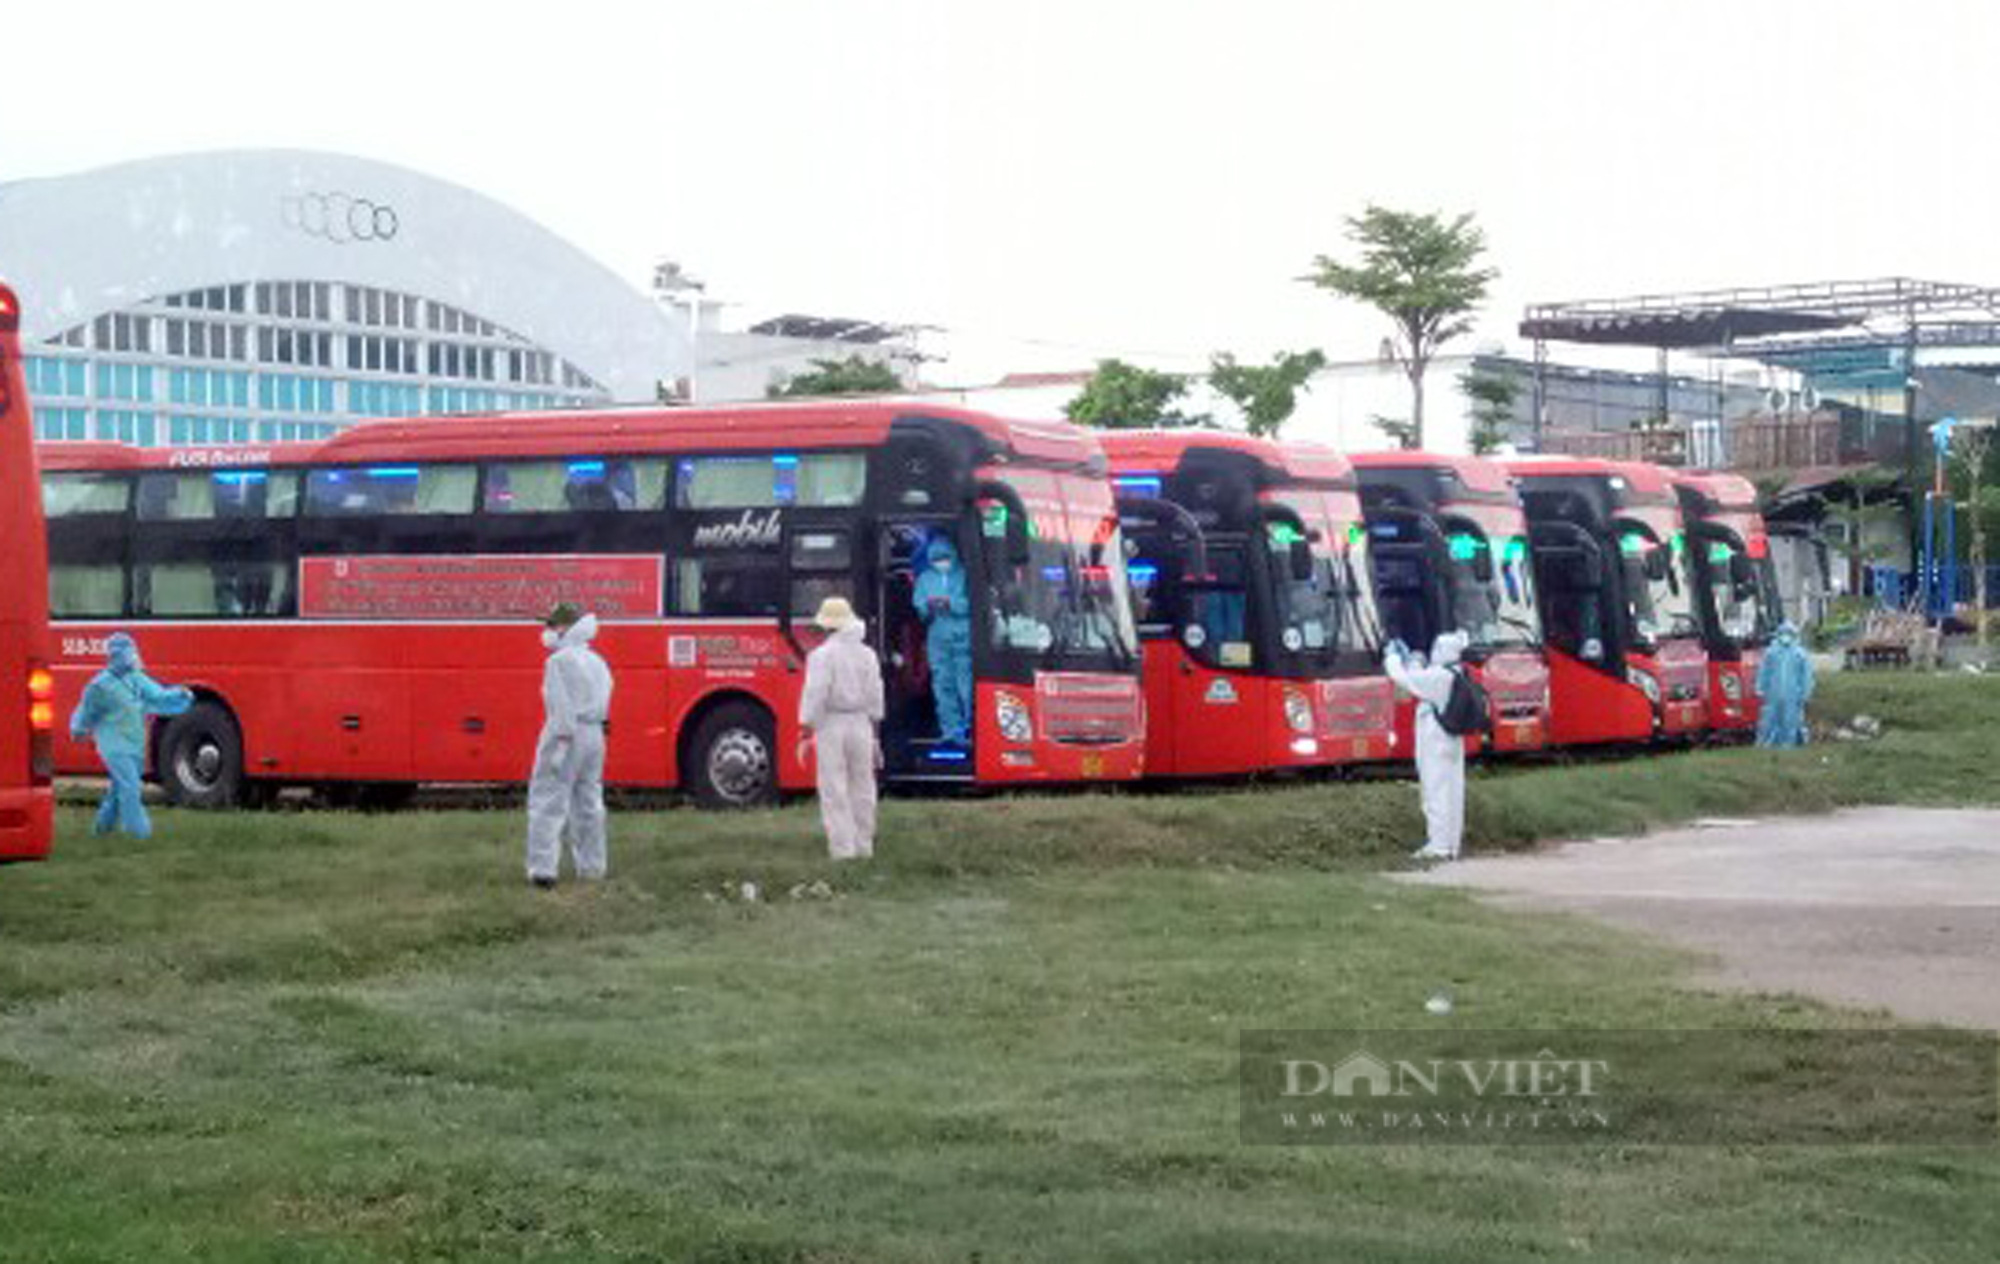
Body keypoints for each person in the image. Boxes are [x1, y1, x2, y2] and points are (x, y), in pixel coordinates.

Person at [68, 632, 193, 839]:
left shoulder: (136, 679)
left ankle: (101, 830)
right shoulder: (99, 686)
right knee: (130, 787)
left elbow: (157, 695)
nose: (133, 657)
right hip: (113, 746)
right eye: (129, 653)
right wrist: (78, 729)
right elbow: (87, 711)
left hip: (134, 744)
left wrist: (180, 694)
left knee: (119, 789)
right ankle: (139, 833)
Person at [525, 602, 614, 888]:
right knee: (589, 803)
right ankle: (592, 868)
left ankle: (543, 870)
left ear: (564, 628)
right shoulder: (597, 661)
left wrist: (559, 746)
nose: (547, 631)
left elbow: (560, 706)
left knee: (548, 800)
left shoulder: (558, 662)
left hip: (567, 734)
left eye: (552, 625)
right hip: (594, 734)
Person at [798, 596, 886, 860]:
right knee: (863, 785)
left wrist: (806, 726)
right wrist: (874, 731)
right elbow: (876, 694)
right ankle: (864, 845)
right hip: (862, 723)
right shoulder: (867, 655)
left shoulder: (821, 656)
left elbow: (816, 694)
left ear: (826, 626)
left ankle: (842, 850)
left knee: (834, 786)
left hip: (831, 724)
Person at [1383, 631, 1472, 862]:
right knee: (1453, 791)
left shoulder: (1439, 678)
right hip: (1452, 742)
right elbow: (1419, 678)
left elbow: (1402, 678)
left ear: (1442, 651)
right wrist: (1415, 661)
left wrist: (1392, 657)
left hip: (1435, 743)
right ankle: (1452, 844)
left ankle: (1439, 845)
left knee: (1435, 792)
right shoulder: (1456, 673)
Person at [912, 536, 972, 743]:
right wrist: (929, 607)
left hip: (964, 635)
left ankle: (972, 727)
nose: (941, 562)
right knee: (943, 684)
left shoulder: (964, 575)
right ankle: (951, 730)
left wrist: (951, 604)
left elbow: (975, 604)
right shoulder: (925, 579)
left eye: (945, 557)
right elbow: (919, 606)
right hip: (938, 636)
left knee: (966, 684)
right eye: (937, 558)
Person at [1755, 620, 1815, 748]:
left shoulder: (1800, 654)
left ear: (1794, 635)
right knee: (1770, 719)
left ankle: (1790, 744)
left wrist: (1806, 693)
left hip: (1793, 694)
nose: (1785, 637)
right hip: (1773, 693)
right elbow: (1764, 672)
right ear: (1778, 634)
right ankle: (1767, 743)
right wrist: (1760, 688)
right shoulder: (1771, 652)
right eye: (1783, 633)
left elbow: (1806, 676)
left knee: (1791, 720)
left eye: (1788, 634)